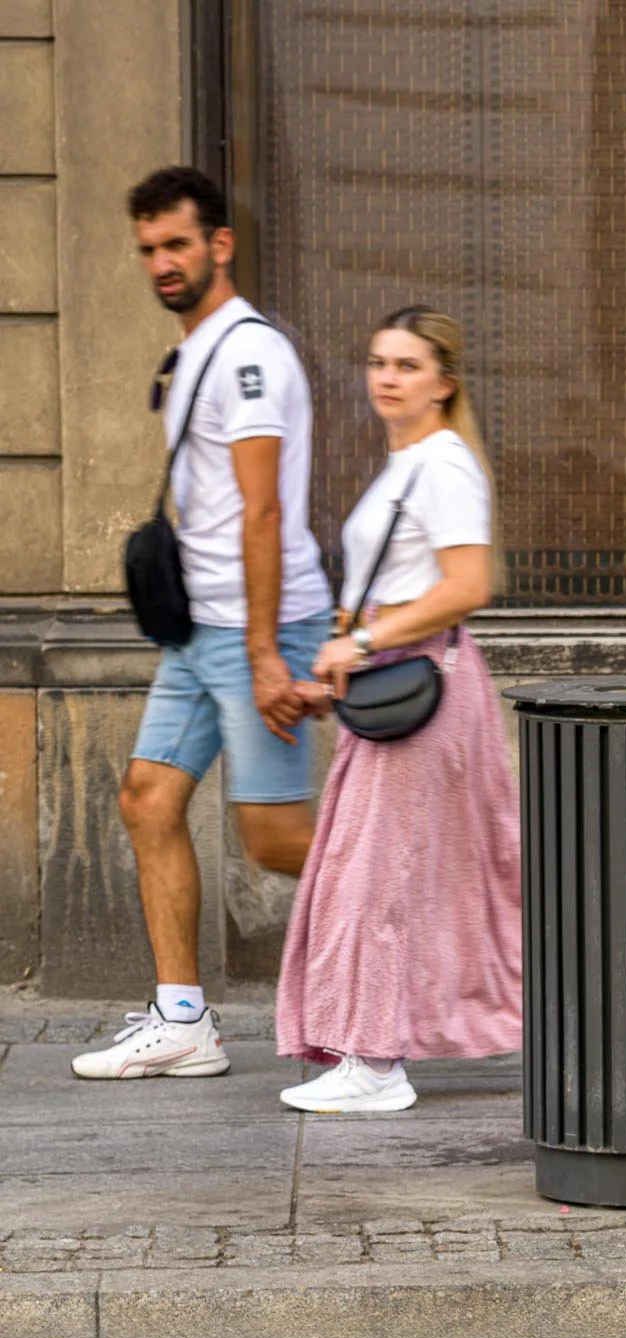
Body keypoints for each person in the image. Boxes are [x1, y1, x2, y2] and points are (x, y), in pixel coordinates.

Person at [74, 168, 335, 1081]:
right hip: (201, 631)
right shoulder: (193, 355)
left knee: (272, 840)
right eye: (149, 249)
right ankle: (183, 1018)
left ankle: (451, 914)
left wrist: (266, 654)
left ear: (219, 244)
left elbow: (265, 513)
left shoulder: (249, 357)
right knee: (147, 798)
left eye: (177, 243)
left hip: (261, 629)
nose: (163, 263)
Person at [273, 308, 521, 1113]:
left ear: (444, 382)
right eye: (378, 361)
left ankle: (377, 1064)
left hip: (422, 687)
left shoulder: (443, 465)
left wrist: (366, 640)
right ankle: (369, 1048)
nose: (387, 376)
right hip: (396, 680)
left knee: (382, 876)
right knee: (369, 869)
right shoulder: (411, 461)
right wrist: (346, 662)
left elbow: (467, 587)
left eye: (408, 365)